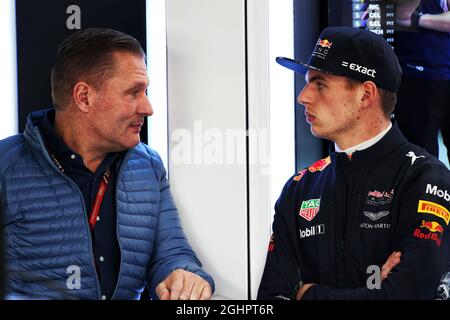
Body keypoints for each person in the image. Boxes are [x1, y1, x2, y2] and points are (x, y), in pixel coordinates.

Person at [0, 28, 214, 300]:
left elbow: (170, 254)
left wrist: (183, 274)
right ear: (84, 97)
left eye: (146, 91)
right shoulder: (6, 167)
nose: (148, 108)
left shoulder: (148, 166)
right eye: (133, 92)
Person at [257, 26, 450, 299]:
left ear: (366, 95)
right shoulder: (300, 188)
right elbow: (271, 298)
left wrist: (309, 294)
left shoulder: (424, 179)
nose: (303, 97)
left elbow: (408, 294)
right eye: (307, 82)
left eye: (320, 84)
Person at [394, 0, 450, 161]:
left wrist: (419, 19)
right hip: (419, 74)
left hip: (438, 71)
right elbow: (402, 15)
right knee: (421, 152)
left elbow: (406, 18)